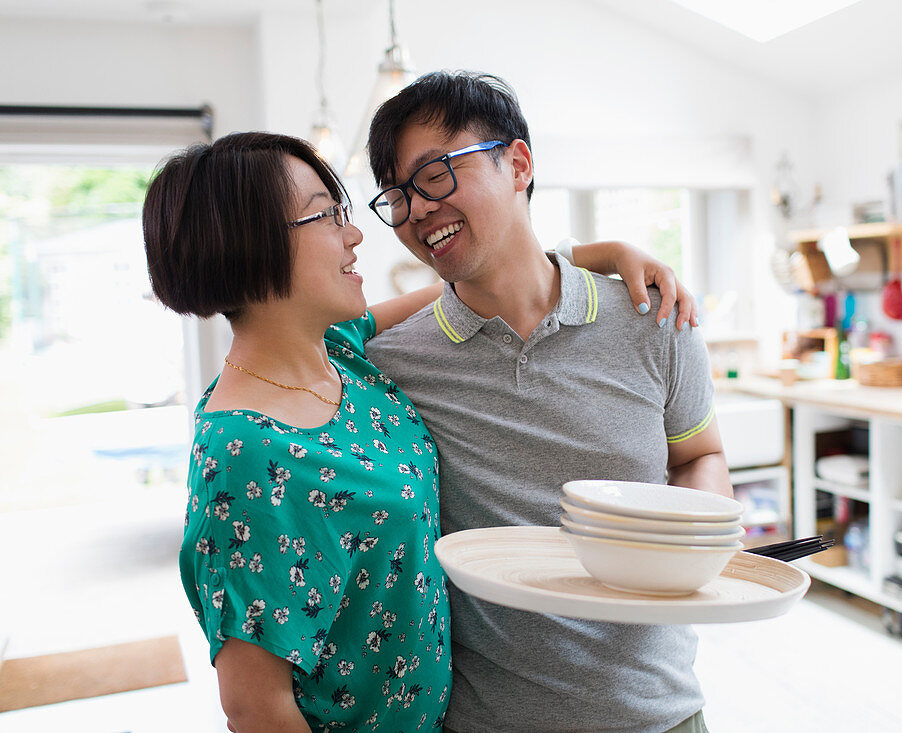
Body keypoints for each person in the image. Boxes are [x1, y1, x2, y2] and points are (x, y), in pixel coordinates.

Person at [143, 132, 697, 732]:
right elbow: (255, 707)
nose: (354, 235)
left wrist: (602, 254)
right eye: (327, 216)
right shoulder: (243, 451)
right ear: (245, 244)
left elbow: (479, 281)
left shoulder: (340, 352)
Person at [363, 71, 732, 733]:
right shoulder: (396, 362)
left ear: (519, 163)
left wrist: (696, 535)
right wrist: (589, 250)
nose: (415, 210)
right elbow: (301, 338)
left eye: (435, 175)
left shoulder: (654, 315)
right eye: (396, 195)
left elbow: (701, 454)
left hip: (661, 711)